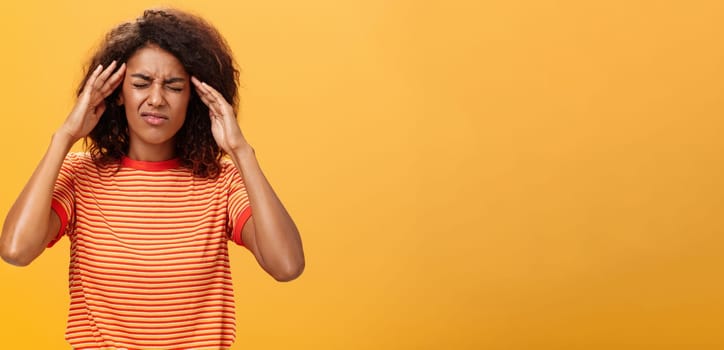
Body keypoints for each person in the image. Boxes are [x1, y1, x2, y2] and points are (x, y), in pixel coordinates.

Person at [0, 8, 305, 349]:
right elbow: (16, 251)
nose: (156, 99)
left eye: (174, 87)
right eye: (141, 83)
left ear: (195, 98)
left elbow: (287, 265)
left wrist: (240, 150)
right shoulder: (78, 176)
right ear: (117, 91)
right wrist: (64, 137)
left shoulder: (222, 181)